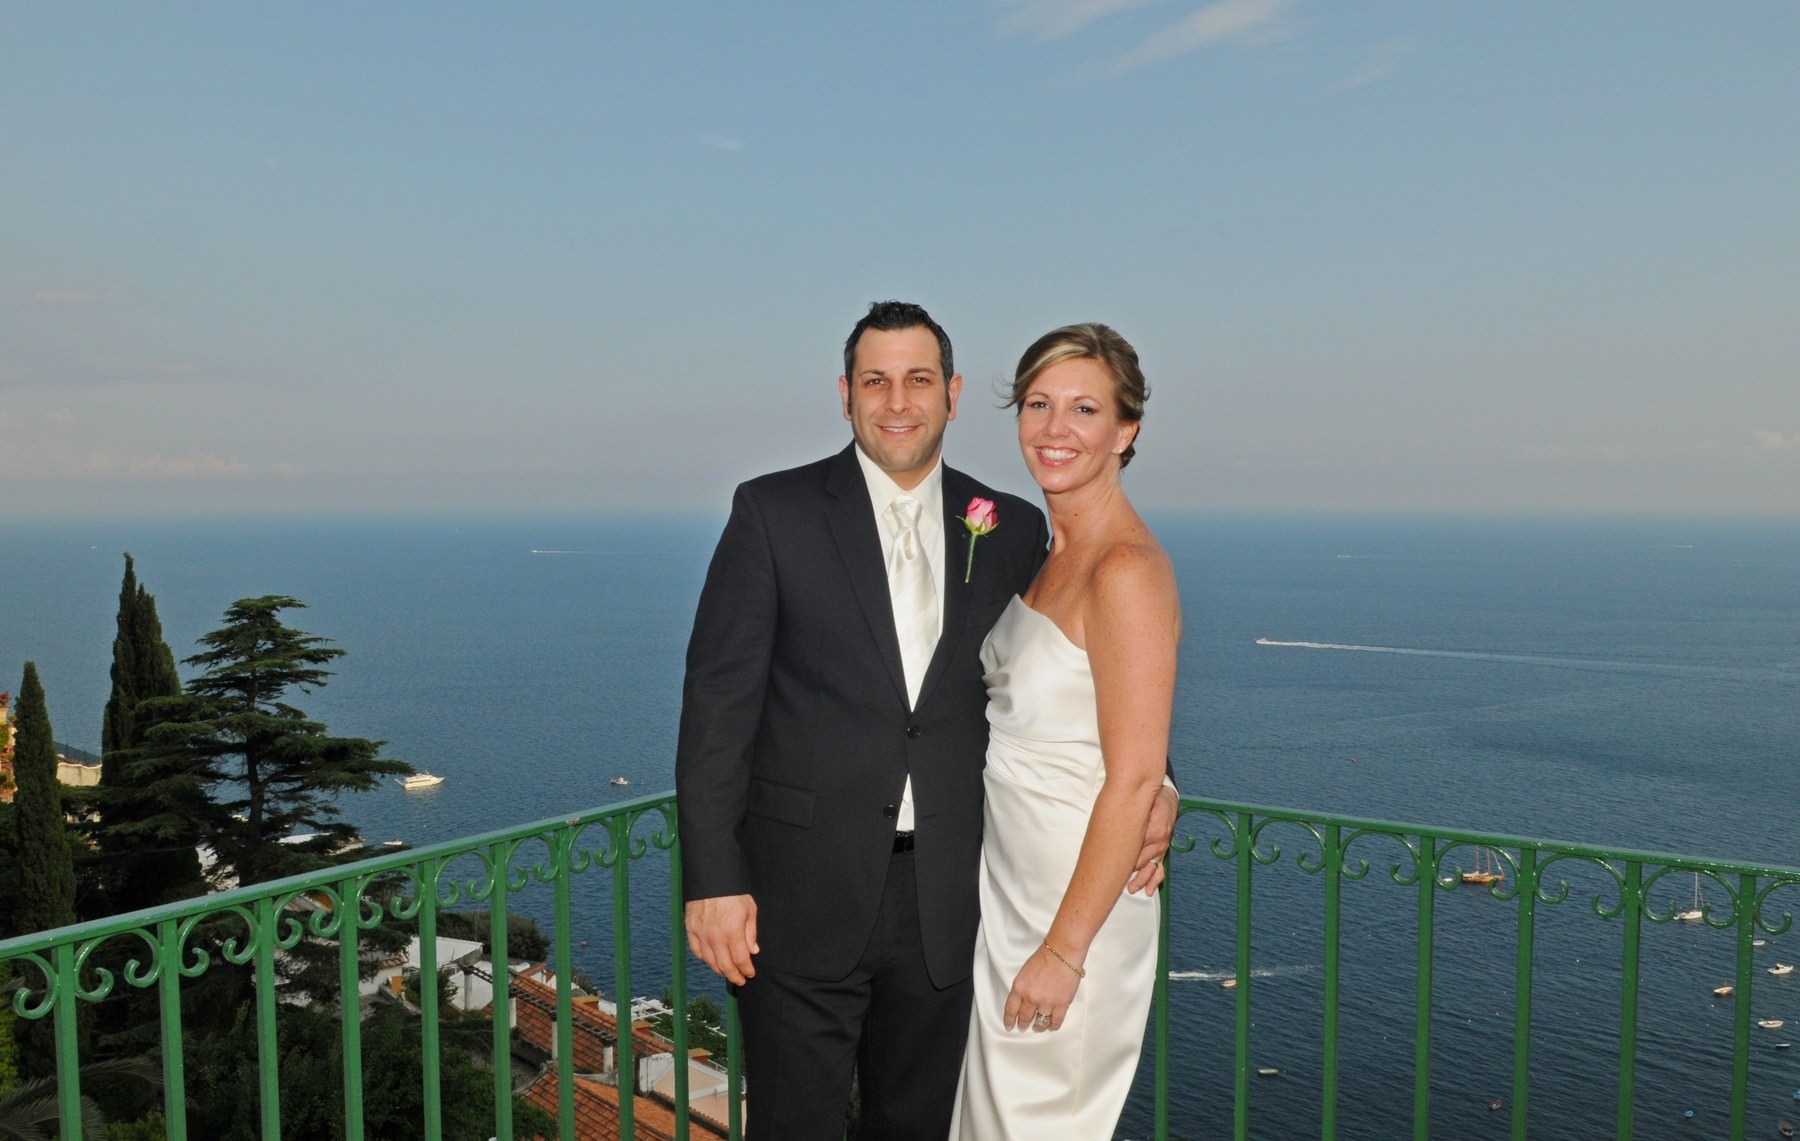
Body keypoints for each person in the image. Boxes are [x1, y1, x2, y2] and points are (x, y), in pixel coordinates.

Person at [675, 301, 1177, 1141]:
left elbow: (1102, 678)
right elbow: (716, 706)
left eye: (917, 380)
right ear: (845, 395)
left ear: (951, 393)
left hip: (954, 904)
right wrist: (713, 881)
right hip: (799, 899)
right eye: (876, 380)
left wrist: (1159, 784)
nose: (897, 401)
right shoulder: (773, 512)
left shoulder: (1011, 525)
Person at [950, 322, 1180, 1139]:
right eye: (1038, 403)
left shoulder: (1125, 570)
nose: (1055, 428)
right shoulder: (1051, 552)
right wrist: (1167, 787)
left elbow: (1130, 774)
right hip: (1014, 898)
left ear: (1126, 431)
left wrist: (1065, 951)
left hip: (1069, 915)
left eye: (1085, 408)